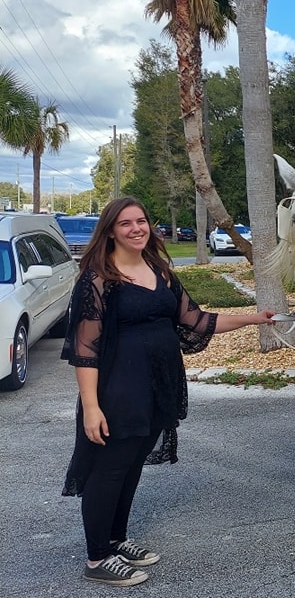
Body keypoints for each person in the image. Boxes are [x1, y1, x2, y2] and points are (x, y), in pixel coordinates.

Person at [60, 197, 275, 587]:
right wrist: (91, 407)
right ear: (110, 230)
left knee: (131, 465)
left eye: (141, 221)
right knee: (109, 469)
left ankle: (114, 540)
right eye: (126, 223)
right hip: (119, 388)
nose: (136, 228)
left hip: (158, 385)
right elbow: (84, 350)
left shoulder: (158, 269)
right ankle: (96, 559)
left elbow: (194, 319)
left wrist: (253, 318)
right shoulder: (97, 279)